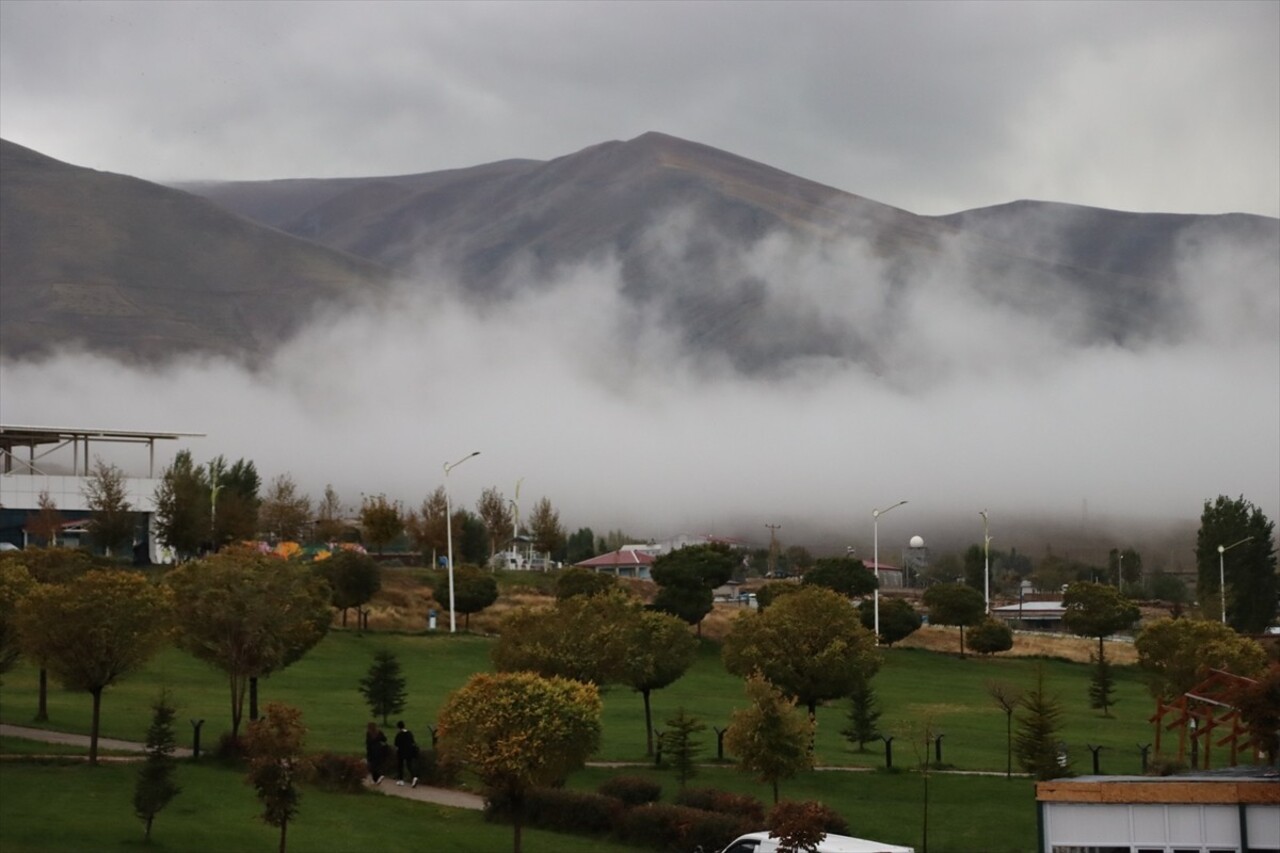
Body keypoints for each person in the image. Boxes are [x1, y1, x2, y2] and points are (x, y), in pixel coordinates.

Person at [393, 720, 418, 787]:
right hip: (409, 752)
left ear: (398, 727)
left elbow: (396, 744)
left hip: (401, 752)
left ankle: (401, 780)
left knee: (400, 765)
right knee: (409, 765)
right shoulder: (409, 733)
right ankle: (414, 777)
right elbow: (413, 741)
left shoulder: (399, 735)